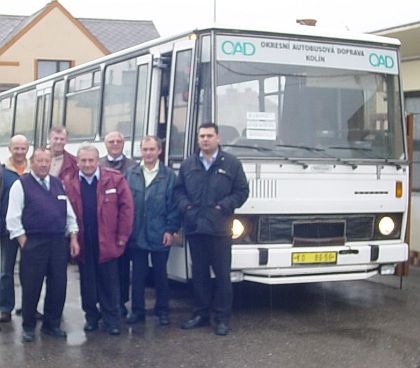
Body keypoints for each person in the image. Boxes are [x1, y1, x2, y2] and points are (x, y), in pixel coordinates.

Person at [174, 122, 249, 336]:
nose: (205, 140)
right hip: (196, 228)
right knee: (199, 275)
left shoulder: (232, 163)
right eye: (202, 136)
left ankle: (222, 318)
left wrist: (224, 206)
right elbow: (178, 191)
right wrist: (186, 208)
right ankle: (200, 314)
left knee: (223, 276)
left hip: (219, 228)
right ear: (197, 139)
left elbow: (242, 191)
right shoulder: (189, 164)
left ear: (218, 138)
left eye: (209, 136)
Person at [6, 148, 80, 342]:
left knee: (58, 285)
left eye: (47, 161)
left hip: (57, 242)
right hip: (34, 242)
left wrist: (73, 236)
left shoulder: (57, 183)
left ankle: (52, 324)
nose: (44, 164)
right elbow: (12, 218)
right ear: (32, 162)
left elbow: (69, 213)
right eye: (39, 161)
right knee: (32, 286)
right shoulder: (20, 185)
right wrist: (23, 241)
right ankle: (28, 326)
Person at [64, 143, 134, 336]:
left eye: (91, 160)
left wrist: (122, 237)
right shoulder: (69, 182)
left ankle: (112, 320)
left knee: (109, 282)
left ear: (98, 161)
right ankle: (91, 318)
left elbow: (127, 209)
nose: (87, 164)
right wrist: (72, 238)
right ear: (77, 162)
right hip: (83, 239)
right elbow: (66, 213)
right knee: (87, 282)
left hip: (108, 240)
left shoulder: (115, 179)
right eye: (83, 160)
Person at [125, 136, 179, 326]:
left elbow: (174, 205)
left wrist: (170, 230)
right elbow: (125, 205)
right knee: (138, 275)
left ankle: (162, 310)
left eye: (151, 149)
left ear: (159, 151)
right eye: (145, 149)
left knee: (160, 274)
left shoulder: (169, 175)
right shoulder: (131, 174)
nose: (148, 153)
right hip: (136, 232)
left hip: (159, 231)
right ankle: (138, 311)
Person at [99, 131, 136, 317]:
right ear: (105, 144)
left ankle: (120, 302)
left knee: (122, 268)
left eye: (118, 141)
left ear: (124, 144)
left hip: (122, 225)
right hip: (102, 227)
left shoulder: (133, 166)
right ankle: (104, 303)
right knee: (103, 269)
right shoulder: (97, 164)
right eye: (111, 141)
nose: (115, 144)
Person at [0, 135, 31, 324]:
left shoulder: (32, 171)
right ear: (10, 149)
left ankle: (29, 307)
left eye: (23, 148)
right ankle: (4, 307)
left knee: (31, 271)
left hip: (30, 230)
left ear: (28, 149)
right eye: (16, 148)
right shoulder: (3, 172)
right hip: (7, 229)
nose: (20, 152)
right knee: (5, 270)